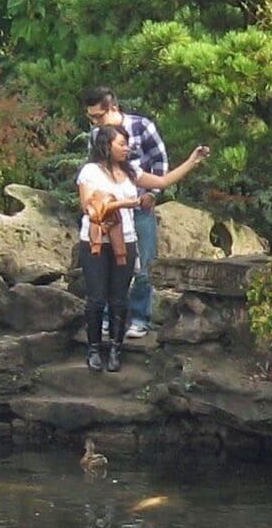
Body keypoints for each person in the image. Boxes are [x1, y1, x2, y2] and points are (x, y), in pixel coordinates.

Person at [78, 124, 209, 372]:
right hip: (95, 241)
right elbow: (89, 207)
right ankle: (94, 348)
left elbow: (162, 180)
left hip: (124, 240)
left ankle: (116, 348)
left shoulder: (130, 171)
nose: (127, 148)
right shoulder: (90, 172)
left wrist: (193, 161)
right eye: (121, 144)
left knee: (119, 297)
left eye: (127, 143)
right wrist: (127, 203)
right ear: (106, 146)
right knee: (96, 298)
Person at [81, 86, 175, 336]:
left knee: (144, 263)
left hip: (140, 205)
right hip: (110, 213)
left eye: (99, 116)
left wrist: (151, 195)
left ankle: (139, 317)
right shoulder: (96, 136)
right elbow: (92, 170)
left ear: (113, 108)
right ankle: (105, 319)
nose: (95, 122)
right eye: (91, 118)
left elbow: (160, 162)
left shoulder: (142, 127)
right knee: (107, 263)